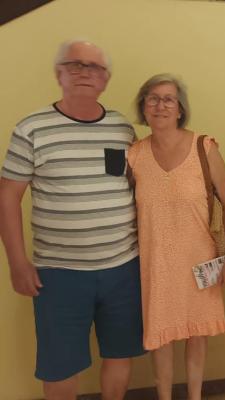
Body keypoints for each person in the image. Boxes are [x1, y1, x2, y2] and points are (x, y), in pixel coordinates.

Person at [0, 40, 144, 400]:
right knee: (60, 367)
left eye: (94, 66)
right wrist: (17, 263)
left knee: (120, 354)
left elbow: (136, 188)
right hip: (59, 273)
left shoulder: (121, 128)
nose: (84, 72)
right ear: (58, 74)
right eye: (74, 64)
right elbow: (7, 197)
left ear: (105, 79)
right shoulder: (31, 129)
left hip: (123, 269)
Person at [128, 74, 225, 400]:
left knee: (197, 334)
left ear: (180, 109)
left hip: (199, 261)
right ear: (144, 108)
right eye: (153, 99)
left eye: (168, 99)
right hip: (156, 263)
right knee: (161, 339)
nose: (160, 105)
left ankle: (194, 396)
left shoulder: (203, 148)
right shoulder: (134, 156)